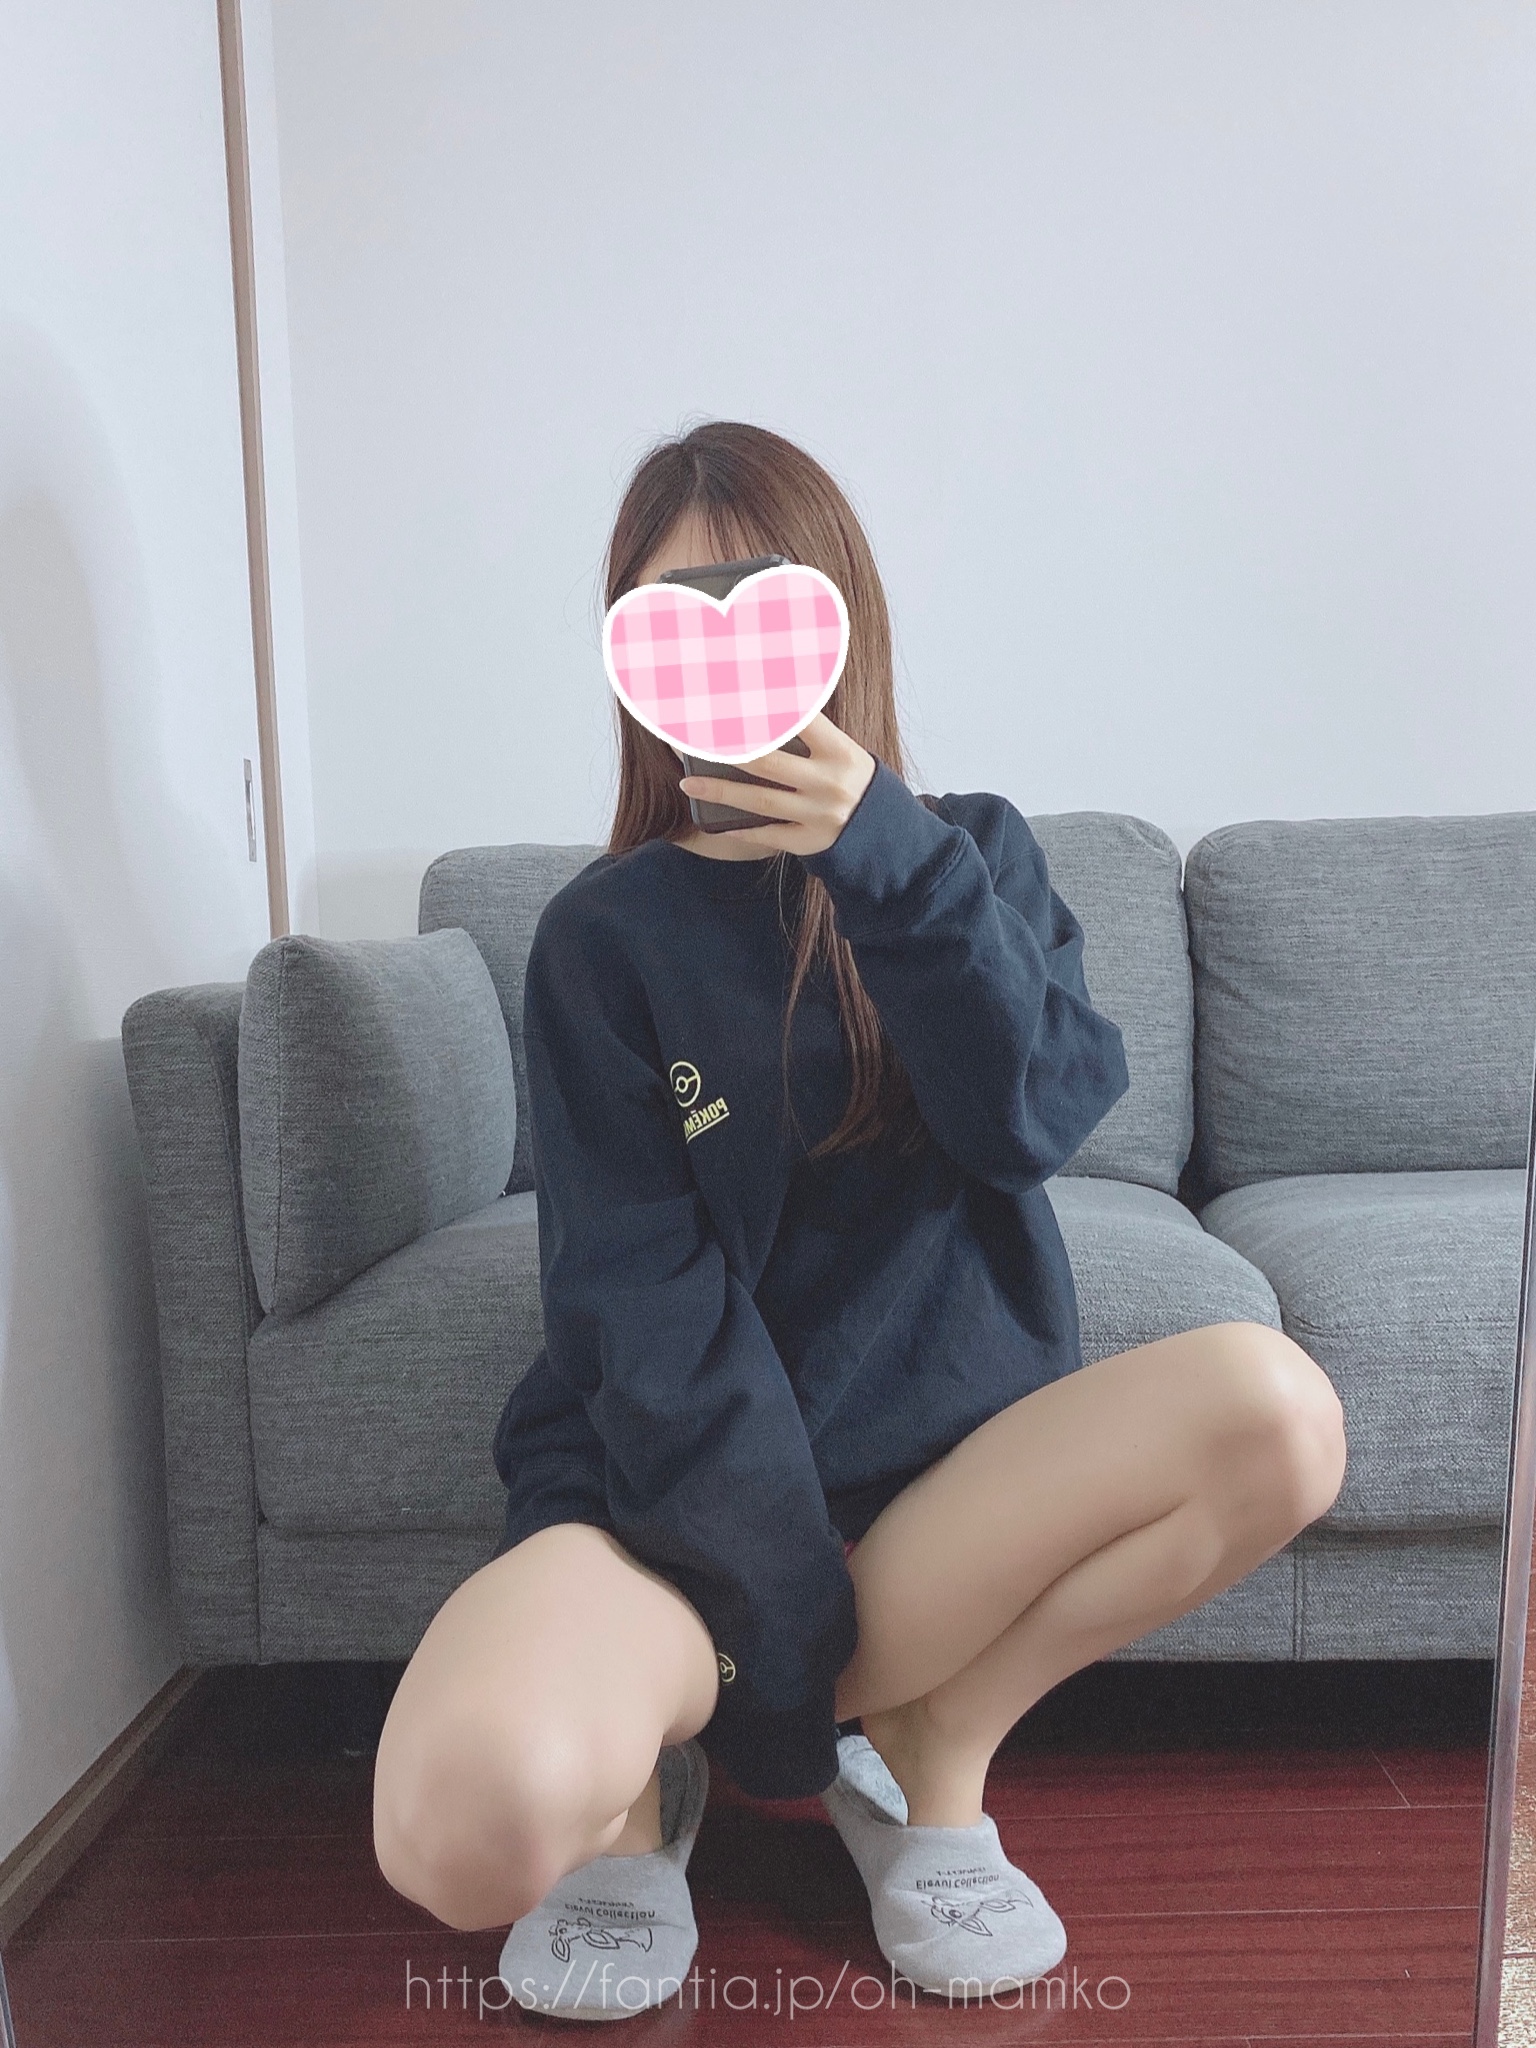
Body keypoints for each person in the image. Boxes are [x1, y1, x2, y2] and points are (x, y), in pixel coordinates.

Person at [371, 421, 1348, 2018]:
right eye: (671, 617)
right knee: (462, 1828)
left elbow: (1033, 1117)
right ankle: (652, 1788)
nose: (721, 655)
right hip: (662, 1523)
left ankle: (932, 1752)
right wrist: (775, 1649)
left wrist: (886, 858)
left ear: (839, 619)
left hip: (938, 1508)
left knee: (1282, 1415)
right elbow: (636, 1304)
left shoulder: (972, 857)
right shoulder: (602, 936)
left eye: (760, 603)